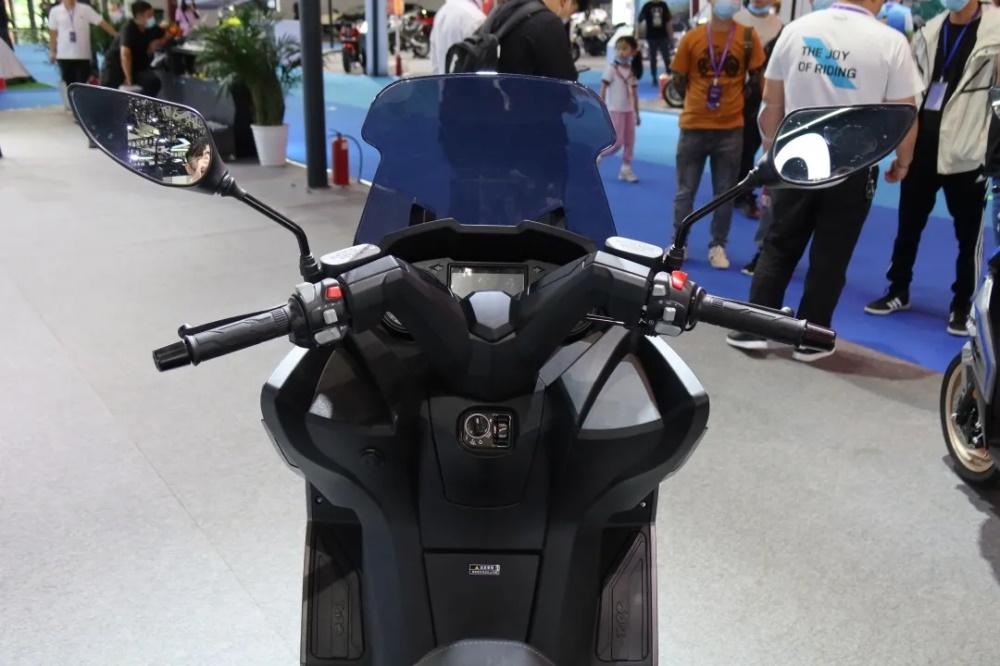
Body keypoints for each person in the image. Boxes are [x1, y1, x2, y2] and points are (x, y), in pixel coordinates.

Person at [725, 0, 923, 361]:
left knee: (778, 244)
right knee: (832, 256)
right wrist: (903, 162)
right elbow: (906, 112)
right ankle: (811, 338)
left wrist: (771, 153)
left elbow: (771, 102)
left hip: (796, 158)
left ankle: (754, 328)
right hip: (853, 165)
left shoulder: (796, 30)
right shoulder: (890, 41)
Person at [864, 0, 1000, 336]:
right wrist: (902, 146)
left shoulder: (995, 32)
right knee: (907, 226)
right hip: (923, 145)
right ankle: (897, 289)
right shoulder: (930, 30)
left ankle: (962, 305)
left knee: (968, 237)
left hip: (966, 151)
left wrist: (986, 146)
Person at [669, 0, 766, 270]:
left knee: (724, 194)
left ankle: (718, 245)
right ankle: (678, 243)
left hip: (731, 128)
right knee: (685, 191)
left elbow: (758, 80)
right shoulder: (692, 38)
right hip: (693, 125)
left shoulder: (748, 38)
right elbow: (679, 78)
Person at [733, 0, 783, 223]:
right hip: (736, 95)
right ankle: (736, 192)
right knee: (738, 147)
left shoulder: (781, 28)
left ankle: (745, 191)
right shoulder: (735, 21)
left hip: (766, 96)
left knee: (755, 145)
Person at [494, 0, 582, 80]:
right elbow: (566, 79)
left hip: (498, 87)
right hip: (526, 90)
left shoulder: (506, 9)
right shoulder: (547, 22)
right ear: (564, 2)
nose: (568, 17)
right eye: (571, 13)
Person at [100, 1, 171, 96]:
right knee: (107, 93)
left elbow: (165, 35)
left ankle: (140, 104)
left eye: (152, 15)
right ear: (139, 16)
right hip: (117, 66)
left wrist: (157, 42)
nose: (152, 18)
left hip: (136, 67)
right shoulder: (128, 29)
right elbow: (125, 55)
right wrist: (128, 78)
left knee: (154, 83)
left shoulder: (151, 28)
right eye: (149, 15)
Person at [598, 35, 641, 182]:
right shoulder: (611, 69)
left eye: (624, 49)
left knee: (630, 140)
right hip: (616, 110)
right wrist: (601, 105)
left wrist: (637, 113)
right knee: (617, 141)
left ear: (633, 52)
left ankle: (626, 168)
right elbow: (603, 88)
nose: (621, 52)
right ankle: (600, 154)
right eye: (618, 49)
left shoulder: (632, 71)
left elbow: (634, 94)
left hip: (629, 111)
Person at [48, 0, 117, 90]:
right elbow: (53, 32)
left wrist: (116, 34)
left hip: (82, 54)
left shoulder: (85, 9)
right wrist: (52, 51)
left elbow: (101, 22)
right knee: (70, 84)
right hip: (64, 54)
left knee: (81, 84)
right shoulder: (55, 11)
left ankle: (79, 99)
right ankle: (71, 99)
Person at [430, 0, 486, 75]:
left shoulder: (442, 11)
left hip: (443, 79)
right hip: (466, 81)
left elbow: (435, 63)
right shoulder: (476, 17)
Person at [637, 0, 673, 87]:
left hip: (663, 36)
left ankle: (669, 75)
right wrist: (637, 35)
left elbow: (669, 21)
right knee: (653, 58)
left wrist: (670, 34)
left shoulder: (663, 5)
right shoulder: (647, 6)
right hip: (651, 36)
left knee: (666, 56)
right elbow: (639, 20)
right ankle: (654, 77)